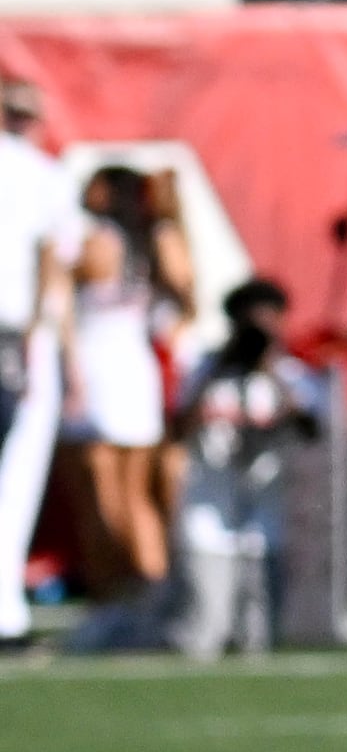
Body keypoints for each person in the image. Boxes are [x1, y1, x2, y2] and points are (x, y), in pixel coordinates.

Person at [166, 276, 322, 658]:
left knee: (259, 636)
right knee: (204, 631)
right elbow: (175, 430)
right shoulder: (204, 371)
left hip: (264, 524)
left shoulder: (292, 376)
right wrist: (222, 366)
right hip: (207, 520)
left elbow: (312, 430)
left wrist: (269, 369)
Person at [59, 163, 194, 601]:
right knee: (134, 491)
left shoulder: (95, 242)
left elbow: (56, 295)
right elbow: (186, 300)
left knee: (101, 488)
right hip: (135, 369)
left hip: (97, 367)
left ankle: (125, 584)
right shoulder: (152, 240)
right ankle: (149, 583)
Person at [0, 76, 76, 647]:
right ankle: (6, 612)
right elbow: (51, 262)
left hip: (19, 333)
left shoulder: (43, 175)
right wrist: (40, 340)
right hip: (16, 335)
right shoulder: (41, 176)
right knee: (15, 478)